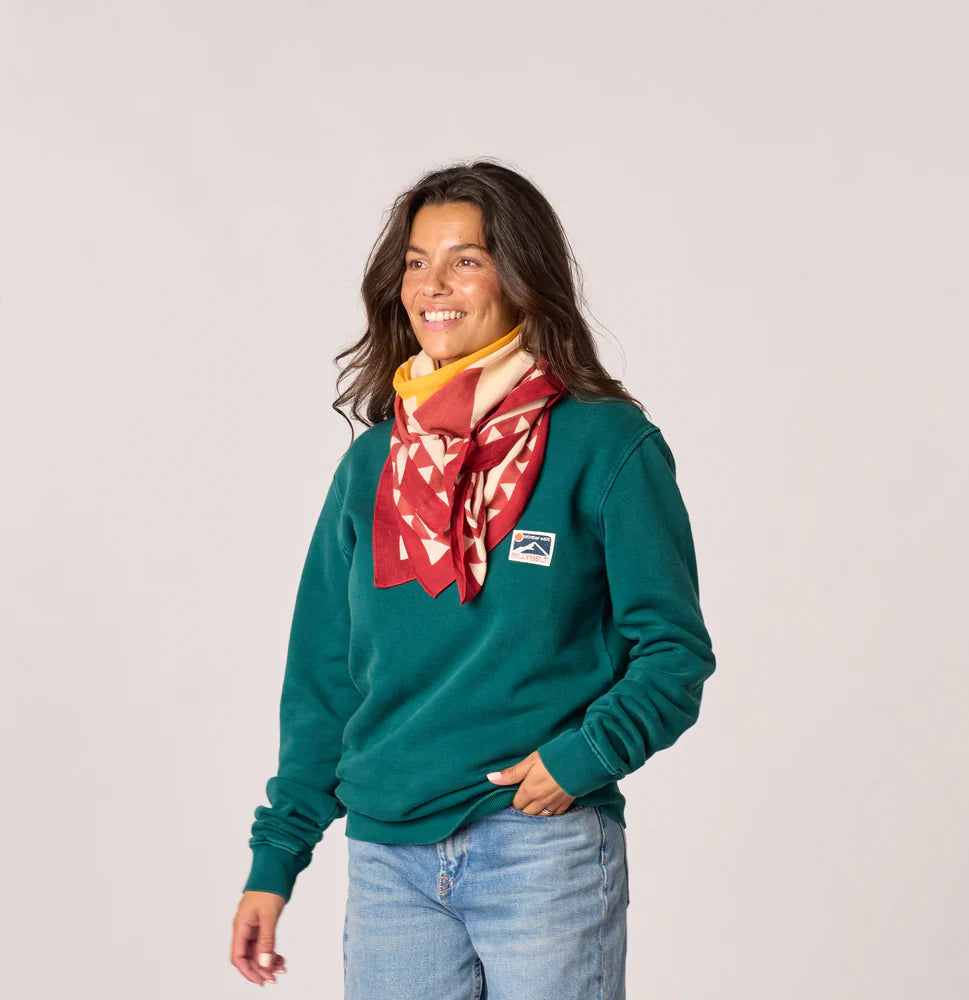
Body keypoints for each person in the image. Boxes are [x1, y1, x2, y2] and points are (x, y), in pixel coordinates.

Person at [230, 159, 716, 999]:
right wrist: (276, 858)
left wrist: (585, 756)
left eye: (466, 260)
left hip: (540, 848)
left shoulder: (606, 444)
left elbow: (673, 652)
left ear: (521, 276)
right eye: (417, 262)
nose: (433, 285)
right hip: (388, 860)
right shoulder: (371, 466)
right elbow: (324, 679)